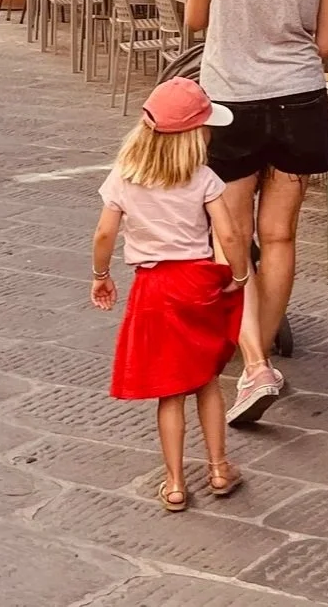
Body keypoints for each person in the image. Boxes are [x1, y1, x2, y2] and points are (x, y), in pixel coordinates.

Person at [183, 0, 328, 427]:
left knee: (231, 236)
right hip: (299, 100)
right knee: (279, 238)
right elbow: (327, 45)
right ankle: (264, 349)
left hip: (231, 102)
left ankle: (249, 360)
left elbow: (196, 17)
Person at [91, 77, 251, 512]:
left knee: (170, 390)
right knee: (207, 382)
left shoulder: (125, 175)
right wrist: (238, 275)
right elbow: (231, 233)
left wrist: (101, 274)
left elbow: (105, 232)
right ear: (196, 135)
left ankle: (176, 483)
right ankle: (219, 468)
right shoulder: (204, 178)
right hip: (198, 282)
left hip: (154, 289)